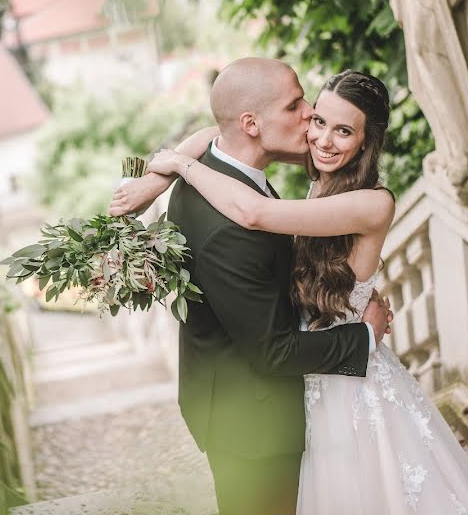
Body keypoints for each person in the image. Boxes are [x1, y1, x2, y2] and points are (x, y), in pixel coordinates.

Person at [112, 66, 468, 514]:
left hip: (344, 378)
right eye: (315, 118)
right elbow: (214, 131)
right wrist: (154, 181)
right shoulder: (317, 162)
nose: (318, 134)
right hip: (299, 377)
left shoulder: (371, 203)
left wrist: (181, 166)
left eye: (343, 130)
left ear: (365, 141)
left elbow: (255, 213)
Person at [112, 58, 393, 515]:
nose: (310, 119)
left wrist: (162, 175)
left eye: (333, 123)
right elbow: (273, 350)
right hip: (253, 420)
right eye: (298, 106)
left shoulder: (221, 165)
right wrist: (364, 337)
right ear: (251, 124)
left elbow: (212, 134)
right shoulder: (229, 225)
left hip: (269, 397)